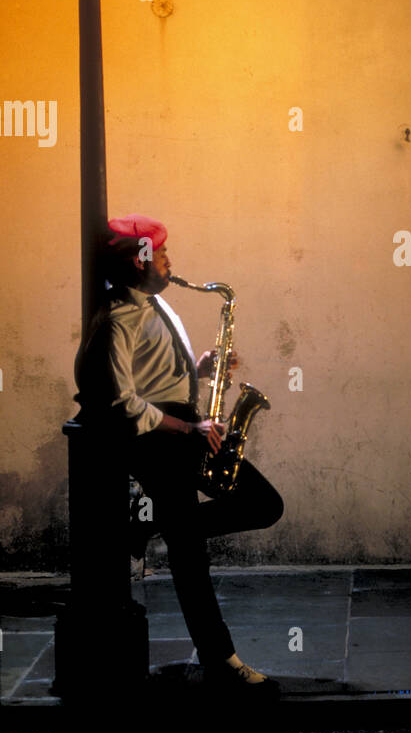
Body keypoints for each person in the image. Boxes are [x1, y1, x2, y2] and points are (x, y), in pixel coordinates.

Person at [75, 213, 284, 691]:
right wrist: (188, 427)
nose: (171, 262)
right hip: (159, 442)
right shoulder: (116, 322)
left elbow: (161, 369)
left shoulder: (157, 304)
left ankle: (154, 525)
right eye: (162, 253)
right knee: (191, 556)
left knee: (264, 505)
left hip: (187, 430)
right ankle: (220, 658)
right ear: (139, 260)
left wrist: (203, 367)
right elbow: (122, 403)